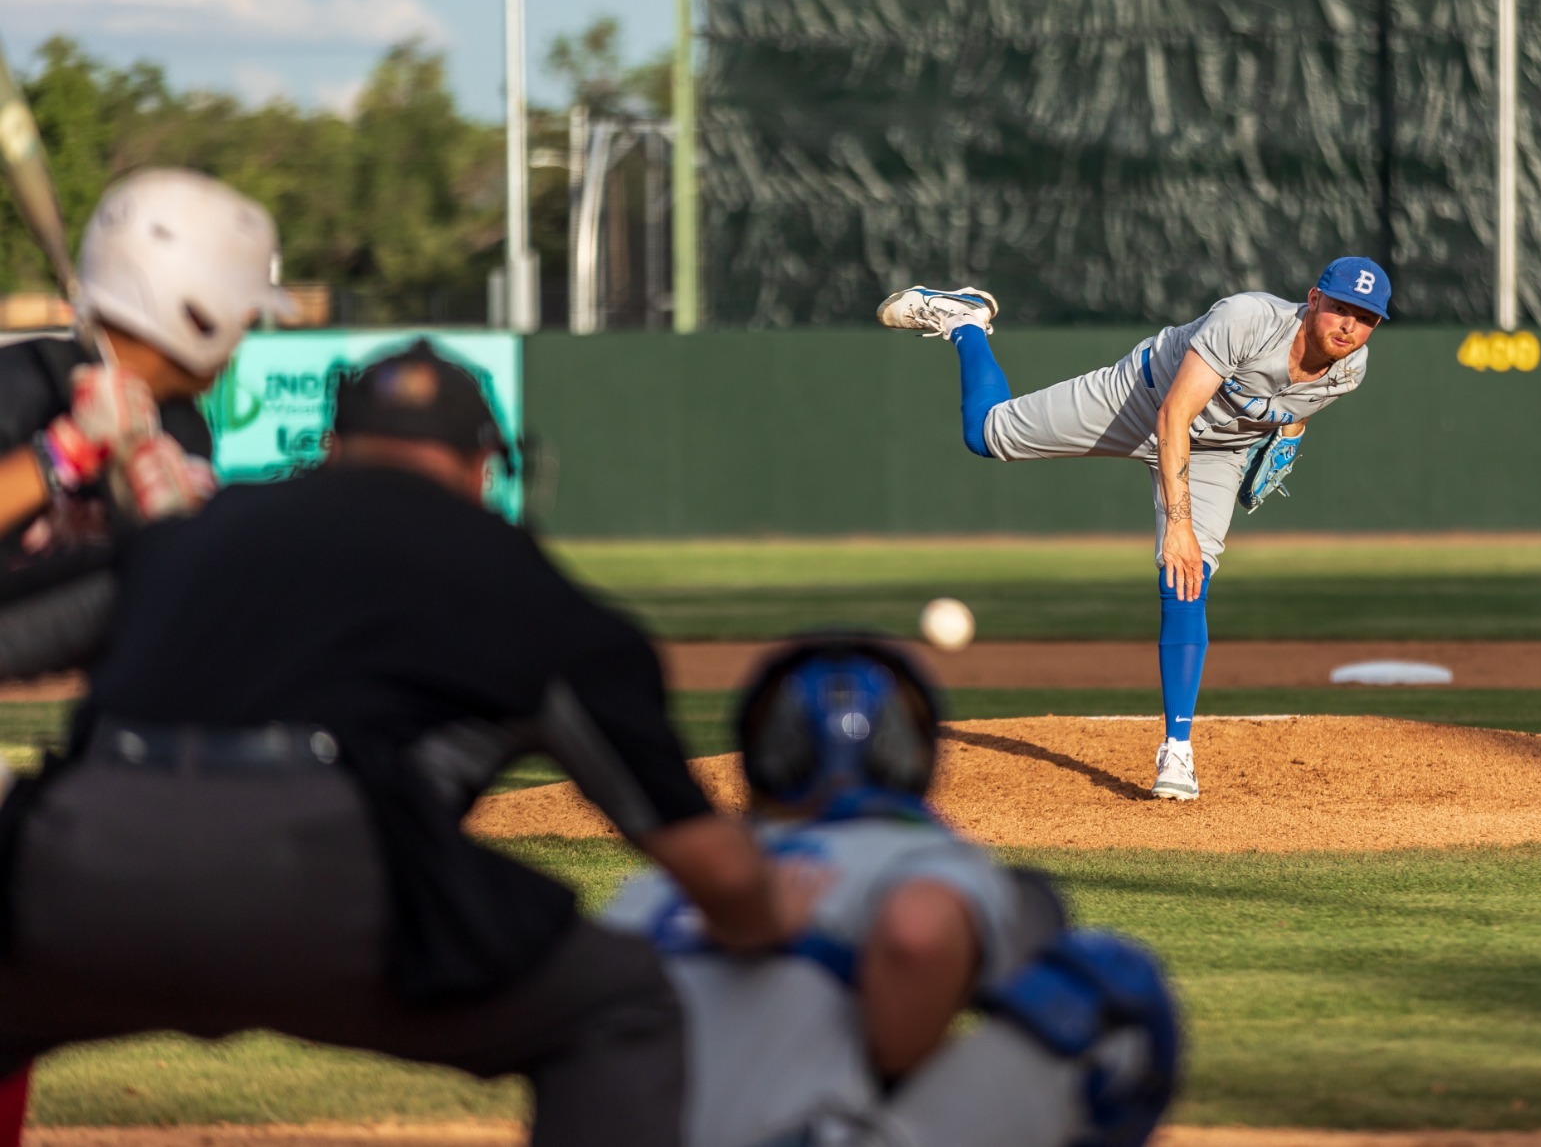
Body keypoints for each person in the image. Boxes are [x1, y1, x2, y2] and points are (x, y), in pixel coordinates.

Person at [0, 340, 820, 1147]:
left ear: (331, 450)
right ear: (482, 465)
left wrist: (147, 541)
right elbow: (705, 864)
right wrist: (770, 907)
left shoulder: (204, 531)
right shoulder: (519, 582)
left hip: (79, 868)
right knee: (619, 1006)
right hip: (332, 882)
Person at [604, 635, 1180, 1147]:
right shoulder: (915, 854)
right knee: (1109, 990)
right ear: (910, 754)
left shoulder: (660, 888)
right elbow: (915, 935)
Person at [0, 167, 293, 1145]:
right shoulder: (20, 387)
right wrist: (65, 454)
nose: (249, 334)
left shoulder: (175, 421)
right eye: (242, 314)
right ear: (200, 313)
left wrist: (173, 517)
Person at [876, 258, 1390, 801]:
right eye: (1339, 308)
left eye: (1366, 318)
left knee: (1188, 578)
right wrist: (1178, 524)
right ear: (1313, 299)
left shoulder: (1350, 369)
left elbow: (1297, 408)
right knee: (988, 435)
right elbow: (1173, 418)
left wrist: (1288, 436)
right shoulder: (1247, 319)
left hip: (1220, 451)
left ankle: (1178, 751)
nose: (1349, 326)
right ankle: (966, 323)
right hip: (1139, 400)